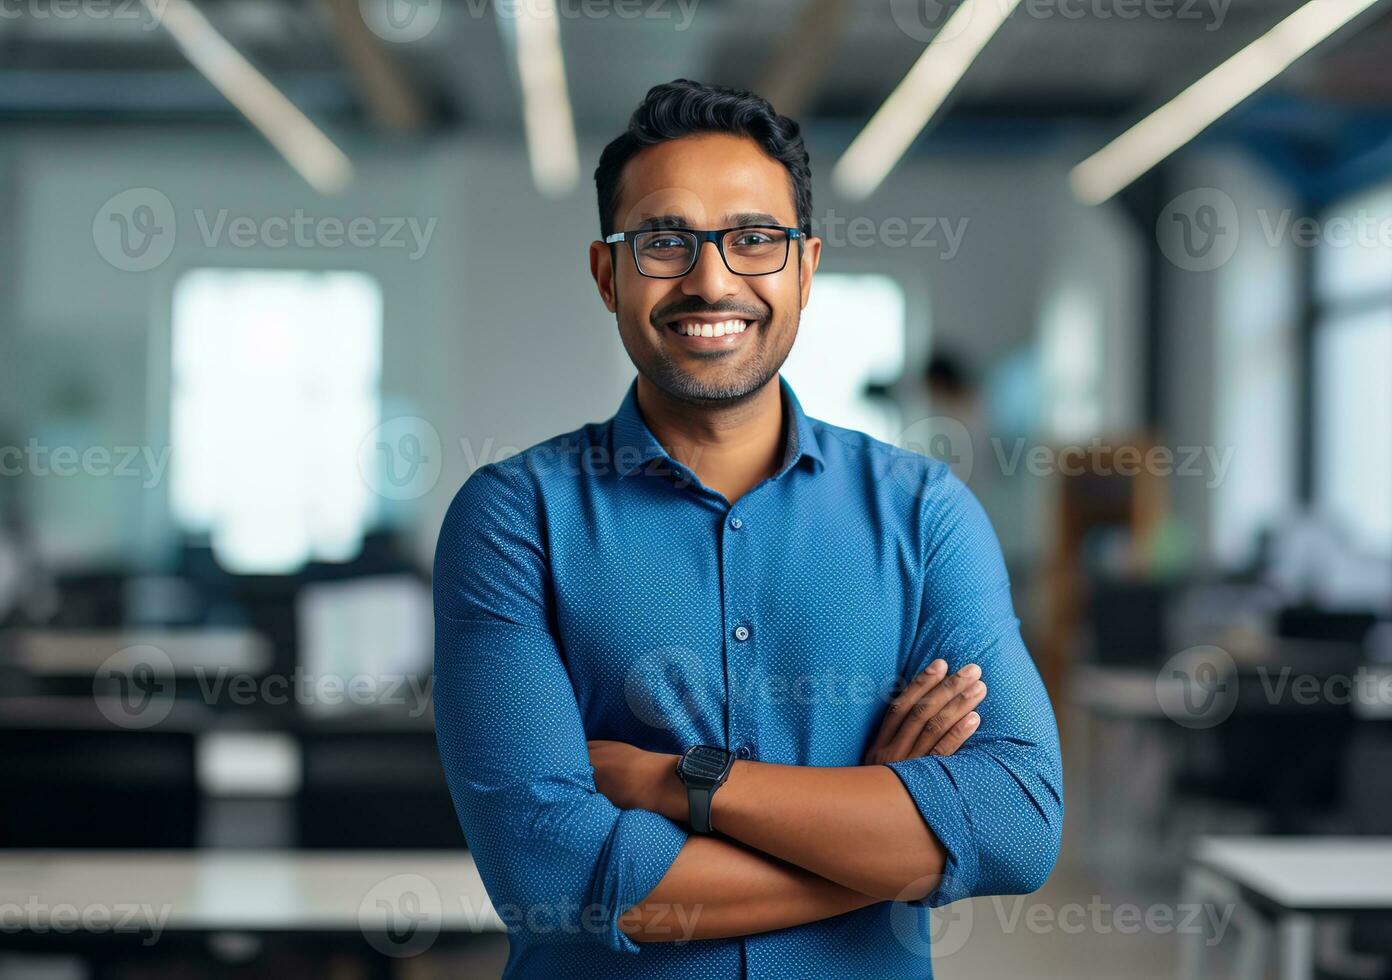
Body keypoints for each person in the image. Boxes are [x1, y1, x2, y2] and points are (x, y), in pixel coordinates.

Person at [432, 78, 1062, 979]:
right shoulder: (512, 518)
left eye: (754, 240)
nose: (712, 279)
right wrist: (881, 839)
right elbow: (552, 870)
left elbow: (1018, 825)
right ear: (608, 274)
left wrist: (680, 783)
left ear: (805, 269)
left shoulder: (925, 514)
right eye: (663, 241)